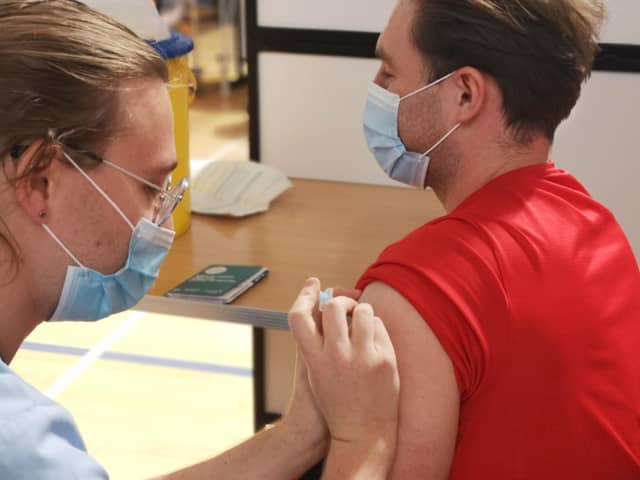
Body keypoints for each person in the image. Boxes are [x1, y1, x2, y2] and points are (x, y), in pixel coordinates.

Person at [0, 1, 400, 479]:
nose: (162, 223)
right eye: (149, 187)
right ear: (40, 180)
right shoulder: (19, 444)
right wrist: (364, 440)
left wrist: (296, 436)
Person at [354, 0, 640, 478]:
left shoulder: (417, 292)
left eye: (389, 72)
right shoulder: (596, 225)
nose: (377, 90)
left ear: (465, 95)